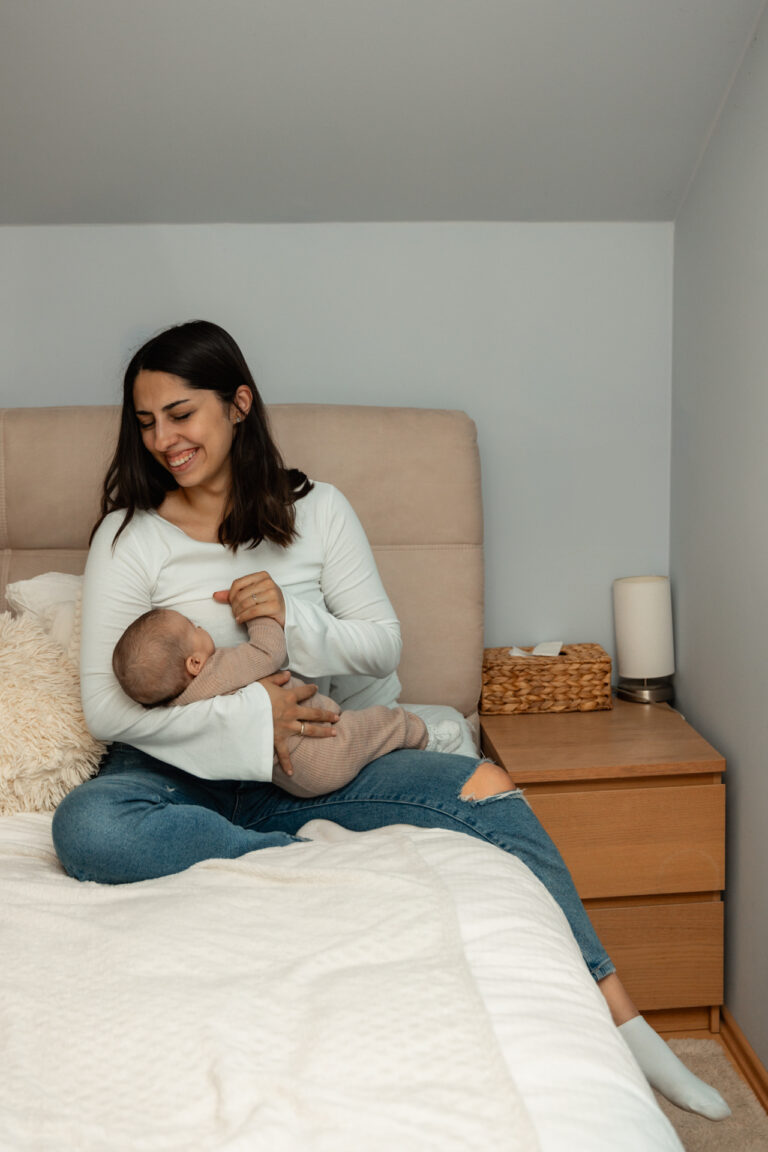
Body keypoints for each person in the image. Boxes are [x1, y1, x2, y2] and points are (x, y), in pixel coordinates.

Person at [52, 320, 729, 1121]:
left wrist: (295, 623)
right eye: (146, 422)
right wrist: (252, 724)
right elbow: (107, 707)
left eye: (181, 413)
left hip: (322, 762)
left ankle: (626, 1021)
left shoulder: (320, 511)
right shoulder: (131, 537)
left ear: (238, 405)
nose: (164, 438)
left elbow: (381, 645)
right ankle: (296, 855)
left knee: (486, 787)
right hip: (177, 782)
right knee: (88, 826)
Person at [111, 605, 463, 797]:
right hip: (324, 747)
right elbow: (268, 652)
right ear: (195, 663)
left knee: (368, 737)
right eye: (194, 626)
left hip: (293, 780)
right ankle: (427, 736)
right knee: (381, 725)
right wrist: (261, 613)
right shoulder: (218, 671)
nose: (202, 627)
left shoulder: (179, 706)